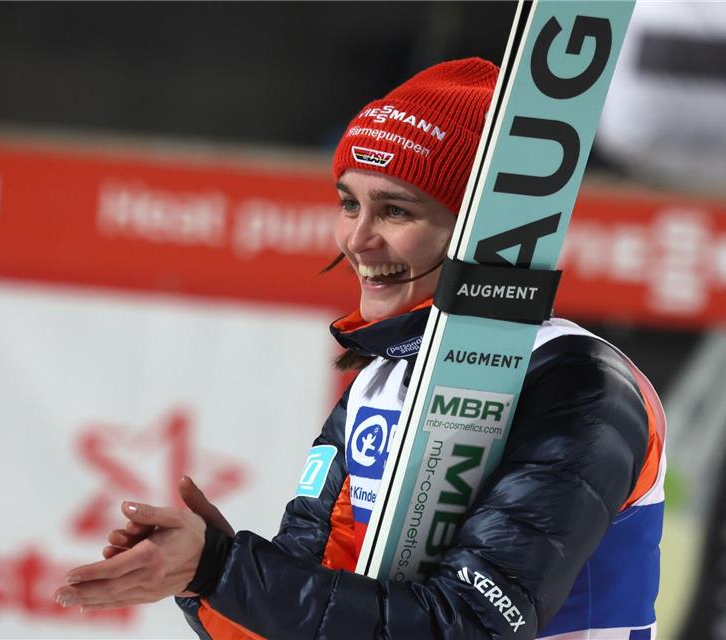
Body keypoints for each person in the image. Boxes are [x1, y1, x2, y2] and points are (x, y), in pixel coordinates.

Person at [54, 57, 666, 640]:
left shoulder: (581, 384)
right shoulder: (380, 380)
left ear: (479, 228)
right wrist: (205, 572)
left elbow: (469, 625)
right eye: (350, 203)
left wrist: (220, 570)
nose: (358, 239)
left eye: (395, 210)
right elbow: (308, 610)